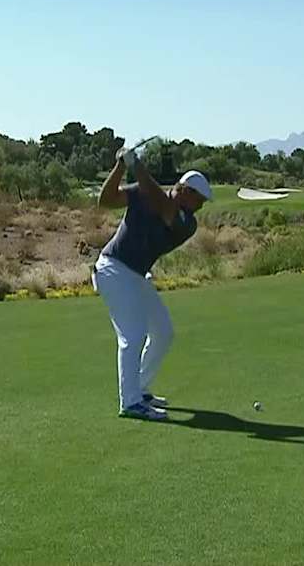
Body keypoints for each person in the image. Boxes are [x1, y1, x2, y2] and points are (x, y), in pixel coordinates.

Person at [92, 144, 212, 420]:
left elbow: (163, 206)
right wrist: (121, 165)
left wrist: (138, 166)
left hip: (136, 275)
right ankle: (131, 402)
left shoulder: (186, 222)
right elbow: (106, 200)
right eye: (200, 199)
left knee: (163, 332)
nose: (201, 206)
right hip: (113, 268)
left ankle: (140, 388)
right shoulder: (143, 193)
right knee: (132, 336)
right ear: (185, 191)